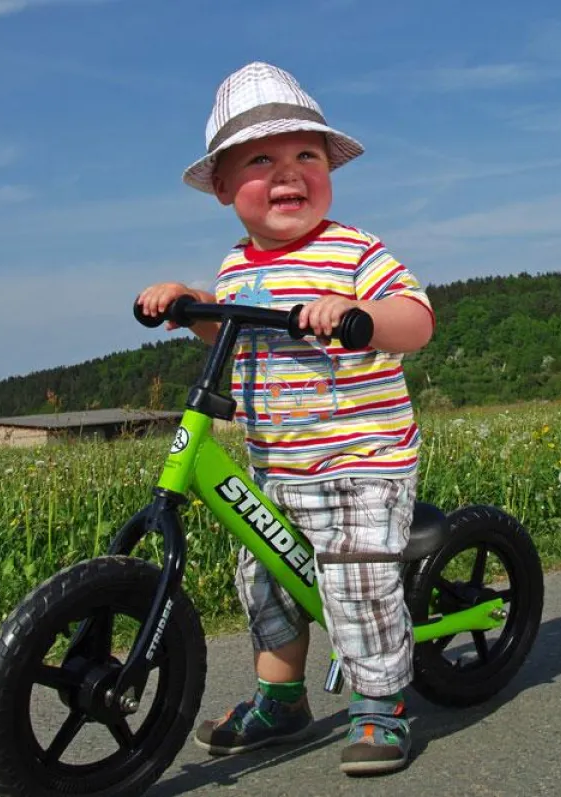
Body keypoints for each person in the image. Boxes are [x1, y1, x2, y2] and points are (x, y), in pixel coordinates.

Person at [137, 61, 434, 776]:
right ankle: (281, 697)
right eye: (261, 160)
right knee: (264, 578)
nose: (288, 173)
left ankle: (380, 703)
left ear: (328, 170)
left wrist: (359, 315)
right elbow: (231, 327)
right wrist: (187, 304)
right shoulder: (238, 266)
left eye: (306, 155)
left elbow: (416, 320)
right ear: (221, 187)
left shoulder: (353, 250)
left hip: (360, 461)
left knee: (354, 581)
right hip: (277, 463)